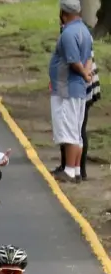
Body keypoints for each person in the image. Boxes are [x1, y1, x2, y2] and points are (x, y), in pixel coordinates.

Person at [50, 0, 94, 183]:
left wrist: (84, 74)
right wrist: (87, 74)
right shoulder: (85, 30)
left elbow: (73, 61)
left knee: (68, 131)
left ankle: (68, 170)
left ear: (64, 12)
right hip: (78, 90)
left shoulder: (68, 33)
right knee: (76, 131)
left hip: (66, 89)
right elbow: (89, 57)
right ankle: (75, 169)